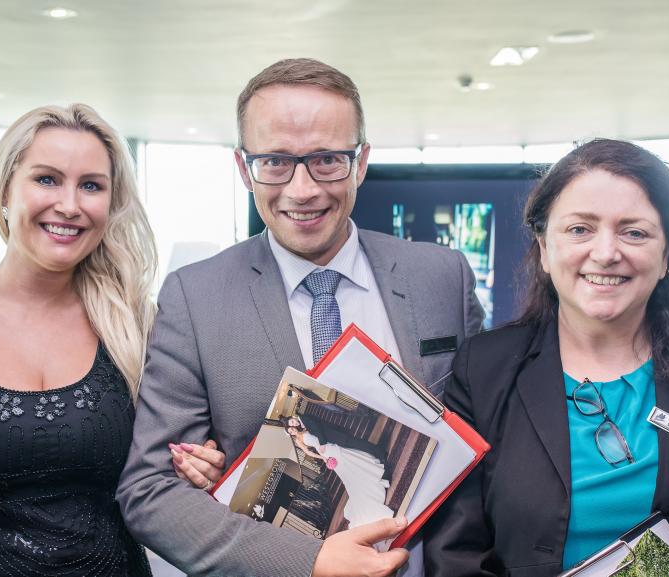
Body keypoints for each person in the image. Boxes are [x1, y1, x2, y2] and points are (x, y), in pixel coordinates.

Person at [117, 57, 484, 577]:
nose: (303, 189)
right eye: (275, 162)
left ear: (360, 162)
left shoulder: (441, 276)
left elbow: (485, 439)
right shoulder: (195, 297)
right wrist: (306, 562)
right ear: (244, 168)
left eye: (328, 159)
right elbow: (149, 491)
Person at [423, 138, 669, 577]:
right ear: (544, 248)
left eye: (634, 231)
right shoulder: (482, 371)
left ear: (665, 255)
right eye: (580, 229)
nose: (605, 252)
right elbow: (456, 554)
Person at [0, 104, 157, 576]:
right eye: (47, 179)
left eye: (91, 186)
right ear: (6, 190)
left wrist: (197, 465)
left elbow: (165, 470)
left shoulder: (135, 327)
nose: (69, 205)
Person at [287, 424, 395, 531]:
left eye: (292, 428)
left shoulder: (306, 429)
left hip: (330, 446)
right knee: (348, 473)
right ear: (291, 434)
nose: (292, 431)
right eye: (290, 432)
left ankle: (372, 470)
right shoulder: (298, 440)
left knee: (351, 459)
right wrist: (322, 457)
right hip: (325, 453)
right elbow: (308, 452)